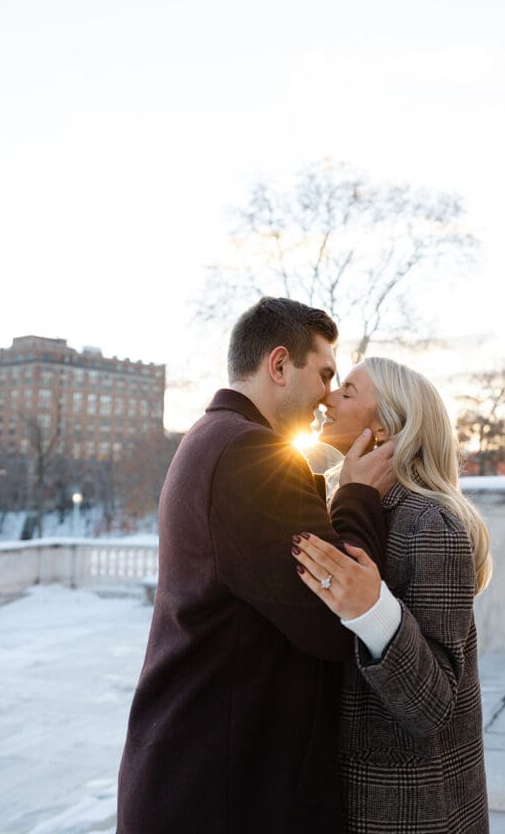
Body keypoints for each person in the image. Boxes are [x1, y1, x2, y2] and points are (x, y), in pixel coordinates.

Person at [116, 298, 396, 834]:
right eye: (324, 374)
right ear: (279, 364)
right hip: (219, 791)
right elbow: (336, 620)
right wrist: (359, 495)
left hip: (199, 774)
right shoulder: (249, 455)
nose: (327, 396)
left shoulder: (211, 437)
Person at [292, 357, 492, 834]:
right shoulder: (352, 504)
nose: (328, 398)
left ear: (382, 426)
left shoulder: (430, 524)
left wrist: (374, 611)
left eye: (348, 391)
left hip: (410, 808)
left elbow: (434, 705)